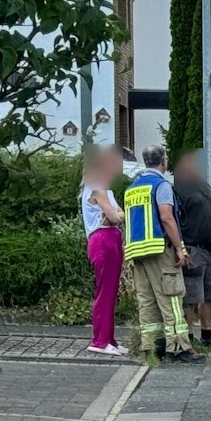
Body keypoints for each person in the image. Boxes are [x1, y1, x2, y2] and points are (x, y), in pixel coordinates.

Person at [123, 146, 203, 365]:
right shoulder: (161, 185)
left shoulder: (133, 187)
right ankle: (179, 347)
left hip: (137, 252)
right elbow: (167, 218)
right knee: (172, 298)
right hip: (160, 250)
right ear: (163, 162)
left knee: (147, 300)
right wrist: (179, 248)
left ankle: (153, 347)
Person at [171, 154, 211, 354]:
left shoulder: (205, 187)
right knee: (191, 295)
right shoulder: (178, 190)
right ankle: (187, 337)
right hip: (193, 247)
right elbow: (173, 219)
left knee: (209, 295)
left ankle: (207, 335)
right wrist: (180, 247)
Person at [79, 146, 128, 356]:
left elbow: (118, 214)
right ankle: (100, 340)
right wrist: (116, 215)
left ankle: (108, 338)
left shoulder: (104, 189)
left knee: (110, 291)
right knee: (105, 292)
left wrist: (117, 215)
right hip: (103, 240)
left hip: (109, 239)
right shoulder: (97, 186)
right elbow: (116, 216)